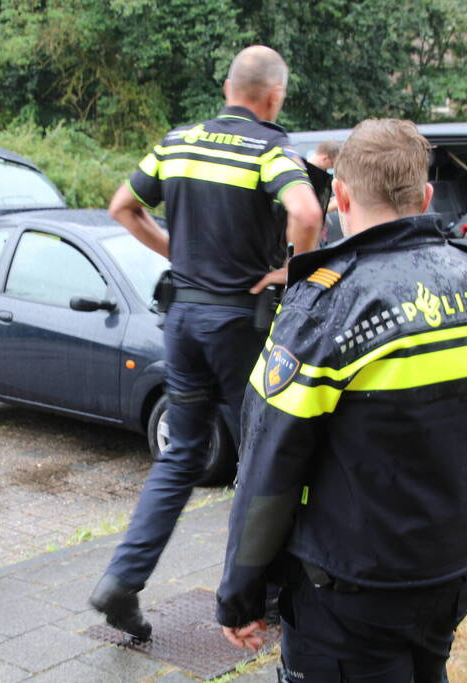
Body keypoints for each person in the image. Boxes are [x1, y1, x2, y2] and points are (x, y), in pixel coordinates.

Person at [216, 118, 467, 682]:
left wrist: (242, 594)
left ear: (338, 195)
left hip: (351, 592)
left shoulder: (323, 312)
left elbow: (269, 467)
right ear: (427, 196)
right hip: (454, 572)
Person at [90, 45, 322, 641]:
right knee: (263, 458)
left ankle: (121, 580)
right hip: (239, 327)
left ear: (227, 87)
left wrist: (182, 254)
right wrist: (288, 271)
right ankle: (255, 596)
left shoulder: (177, 143)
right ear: (274, 96)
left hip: (182, 321)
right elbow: (306, 213)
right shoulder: (270, 148)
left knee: (183, 455)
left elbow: (123, 207)